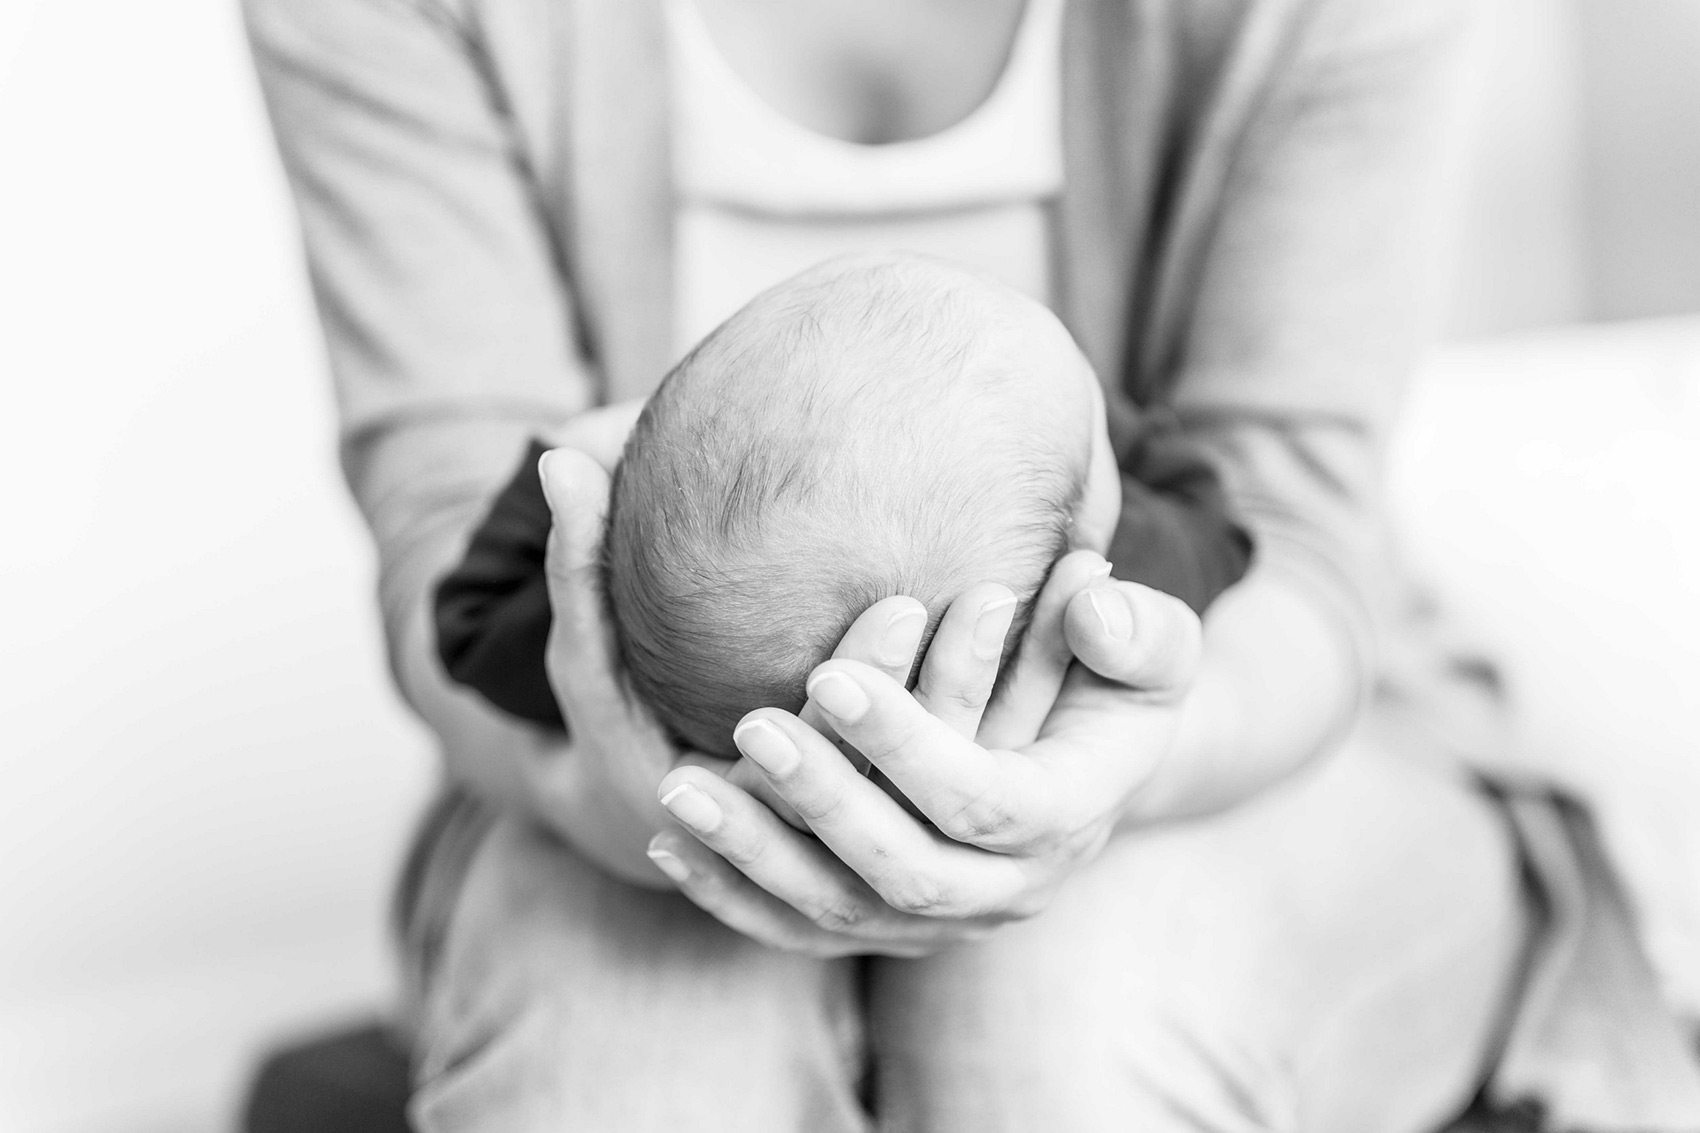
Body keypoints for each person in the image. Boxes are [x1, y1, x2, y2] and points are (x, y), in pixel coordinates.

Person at [243, 0, 1700, 1129]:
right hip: (629, 790)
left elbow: (1289, 541)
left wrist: (570, 510)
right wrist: (612, 792)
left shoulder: (1133, 556)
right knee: (618, 1050)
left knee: (1060, 1011)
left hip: (1273, 738)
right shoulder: (1128, 525)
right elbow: (446, 540)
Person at [435, 253, 1251, 761]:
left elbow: (466, 623)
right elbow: (1220, 527)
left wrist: (584, 447)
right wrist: (1105, 434)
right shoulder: (1111, 587)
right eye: (1101, 418)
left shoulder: (609, 640)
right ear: (1087, 531)